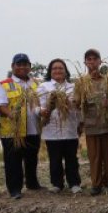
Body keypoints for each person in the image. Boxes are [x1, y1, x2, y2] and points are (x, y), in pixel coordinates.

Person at [0, 53, 43, 199]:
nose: (22, 67)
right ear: (13, 66)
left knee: (31, 158)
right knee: (13, 161)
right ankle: (15, 189)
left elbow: (40, 103)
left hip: (33, 129)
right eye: (19, 64)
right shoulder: (5, 84)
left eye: (25, 64)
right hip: (12, 131)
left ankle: (32, 183)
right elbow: (0, 105)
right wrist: (10, 115)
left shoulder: (35, 84)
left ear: (30, 66)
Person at [74, 49, 108, 196]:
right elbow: (76, 102)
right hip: (91, 124)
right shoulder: (81, 82)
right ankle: (96, 184)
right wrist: (85, 101)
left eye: (94, 59)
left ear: (100, 61)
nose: (92, 61)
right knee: (94, 156)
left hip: (107, 123)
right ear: (85, 62)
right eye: (89, 59)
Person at [37, 59, 82, 194]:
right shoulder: (44, 87)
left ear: (65, 71)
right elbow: (37, 106)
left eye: (60, 68)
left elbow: (79, 107)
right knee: (55, 158)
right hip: (52, 129)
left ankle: (74, 183)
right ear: (50, 72)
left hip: (70, 128)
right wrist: (43, 110)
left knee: (71, 158)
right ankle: (57, 183)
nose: (57, 71)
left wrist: (72, 105)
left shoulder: (73, 87)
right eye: (54, 68)